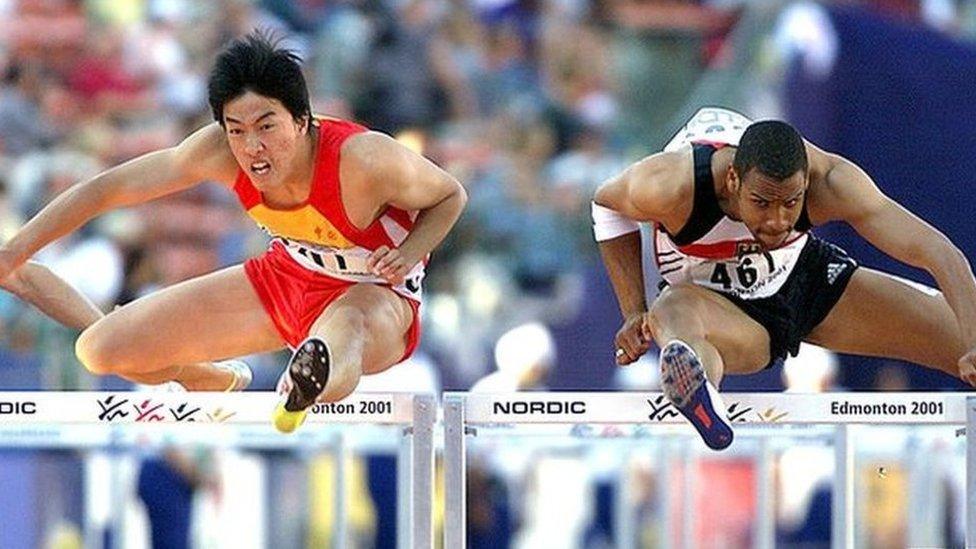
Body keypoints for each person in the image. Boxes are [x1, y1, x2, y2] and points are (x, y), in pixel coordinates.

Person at [0, 31, 466, 433]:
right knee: (100, 350)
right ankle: (205, 376)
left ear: (302, 120)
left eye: (266, 126)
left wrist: (411, 251)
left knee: (344, 328)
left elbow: (451, 195)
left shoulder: (365, 160)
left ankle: (306, 383)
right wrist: (15, 249)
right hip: (287, 277)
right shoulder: (217, 151)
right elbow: (107, 189)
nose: (252, 148)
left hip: (375, 295)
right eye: (237, 130)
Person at [592, 107, 976, 450]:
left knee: (964, 332)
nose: (777, 221)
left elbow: (938, 252)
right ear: (733, 181)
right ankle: (701, 394)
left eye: (791, 203)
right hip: (718, 308)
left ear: (805, 184)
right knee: (673, 310)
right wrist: (633, 310)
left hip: (804, 280)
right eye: (762, 203)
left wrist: (973, 342)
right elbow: (605, 206)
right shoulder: (668, 186)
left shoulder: (831, 182)